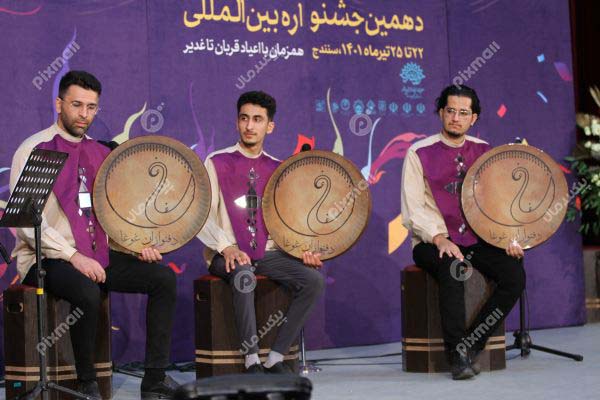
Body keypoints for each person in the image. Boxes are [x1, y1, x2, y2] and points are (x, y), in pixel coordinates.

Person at [10, 70, 178, 399]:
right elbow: (27, 223)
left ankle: (155, 379)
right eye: (76, 105)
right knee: (87, 290)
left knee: (163, 279)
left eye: (91, 107)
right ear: (59, 104)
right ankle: (87, 383)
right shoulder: (34, 148)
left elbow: (113, 215)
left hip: (95, 253)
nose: (84, 114)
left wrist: (135, 246)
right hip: (46, 257)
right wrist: (73, 256)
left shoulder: (102, 153)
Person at [401, 85, 526, 380]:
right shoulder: (418, 152)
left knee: (514, 276)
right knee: (454, 268)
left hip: (477, 238)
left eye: (463, 112)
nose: (456, 118)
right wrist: (439, 238)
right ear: (441, 113)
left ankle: (471, 344)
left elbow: (497, 202)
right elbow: (412, 208)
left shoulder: (484, 151)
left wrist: (508, 239)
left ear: (474, 118)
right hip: (431, 240)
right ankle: (457, 356)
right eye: (451, 111)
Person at [197, 90, 325, 374]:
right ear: (237, 122)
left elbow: (287, 222)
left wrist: (301, 250)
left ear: (270, 126)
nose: (249, 126)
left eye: (257, 119)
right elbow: (201, 215)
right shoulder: (217, 162)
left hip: (267, 254)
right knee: (244, 275)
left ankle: (276, 358)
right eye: (244, 118)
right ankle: (252, 361)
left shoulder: (277, 168)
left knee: (313, 281)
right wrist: (226, 247)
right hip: (226, 253)